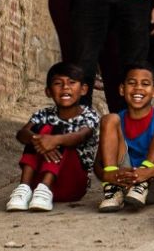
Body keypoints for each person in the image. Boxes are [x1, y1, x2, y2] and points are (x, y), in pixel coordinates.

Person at [6, 63, 100, 212]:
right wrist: (37, 140)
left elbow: (80, 136)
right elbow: (22, 133)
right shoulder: (43, 113)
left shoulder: (89, 114)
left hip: (72, 184)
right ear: (48, 92)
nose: (65, 87)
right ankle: (24, 188)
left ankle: (45, 187)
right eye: (58, 83)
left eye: (72, 82)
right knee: (36, 133)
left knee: (58, 132)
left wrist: (54, 140)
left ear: (83, 89)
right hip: (36, 183)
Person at [94, 62, 154, 212]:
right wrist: (108, 175)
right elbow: (97, 164)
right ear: (122, 89)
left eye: (145, 84)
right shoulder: (115, 122)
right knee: (109, 119)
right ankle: (112, 191)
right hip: (122, 183)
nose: (138, 88)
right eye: (132, 83)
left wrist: (147, 173)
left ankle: (141, 185)